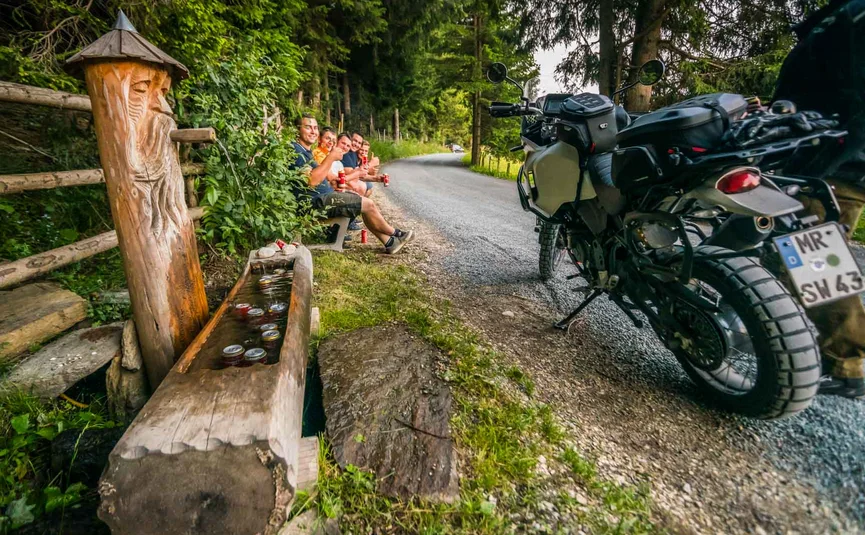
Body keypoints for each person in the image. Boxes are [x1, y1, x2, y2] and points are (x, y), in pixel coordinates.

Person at [773, 0, 865, 399]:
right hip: (820, 159)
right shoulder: (839, 16)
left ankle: (850, 362)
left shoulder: (855, 15)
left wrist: (834, 155)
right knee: (798, 253)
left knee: (814, 257)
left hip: (834, 164)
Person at [290, 114, 414, 254]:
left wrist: (334, 182)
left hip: (322, 198)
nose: (313, 131)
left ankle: (389, 242)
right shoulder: (296, 150)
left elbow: (318, 176)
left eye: (315, 128)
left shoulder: (306, 152)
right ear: (297, 130)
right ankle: (396, 233)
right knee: (367, 204)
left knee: (361, 202)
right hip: (313, 203)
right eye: (308, 127)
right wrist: (331, 157)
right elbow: (312, 180)